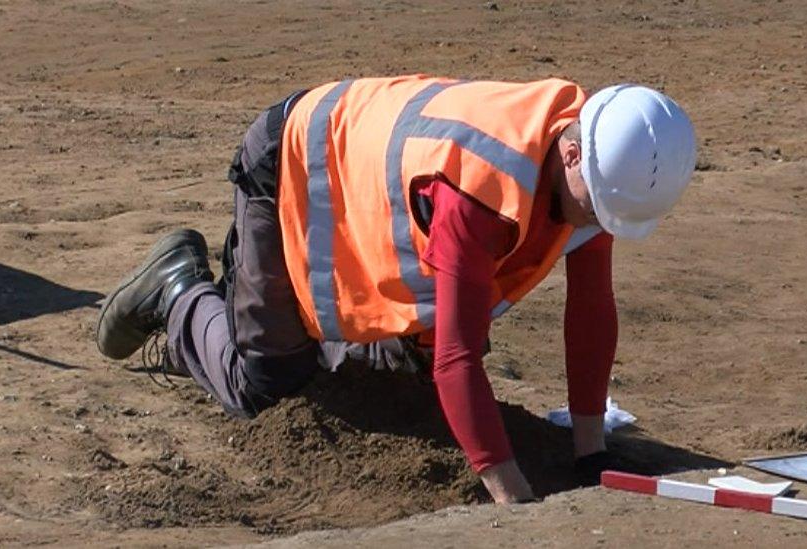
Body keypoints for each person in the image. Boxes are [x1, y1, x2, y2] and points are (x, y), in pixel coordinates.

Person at [95, 75, 696, 503]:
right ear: (571, 153)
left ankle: (249, 303)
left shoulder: (597, 169)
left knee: (395, 364)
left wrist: (591, 456)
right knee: (263, 382)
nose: (594, 227)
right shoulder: (484, 187)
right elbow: (458, 359)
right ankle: (178, 289)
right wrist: (513, 499)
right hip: (293, 161)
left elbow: (590, 311)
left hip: (365, 191)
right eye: (596, 211)